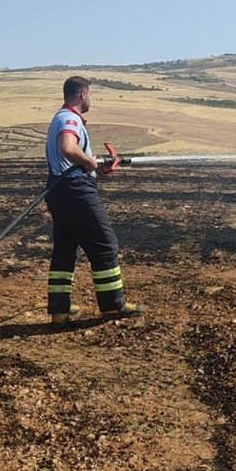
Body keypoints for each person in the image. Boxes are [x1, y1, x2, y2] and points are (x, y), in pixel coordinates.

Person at [44, 76, 142, 325]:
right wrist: (90, 162)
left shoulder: (60, 117)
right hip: (76, 191)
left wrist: (95, 167)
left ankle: (59, 311)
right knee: (105, 243)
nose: (91, 99)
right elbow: (68, 147)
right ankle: (113, 305)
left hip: (60, 190)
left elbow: (69, 156)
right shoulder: (69, 119)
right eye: (91, 94)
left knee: (65, 248)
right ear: (82, 95)